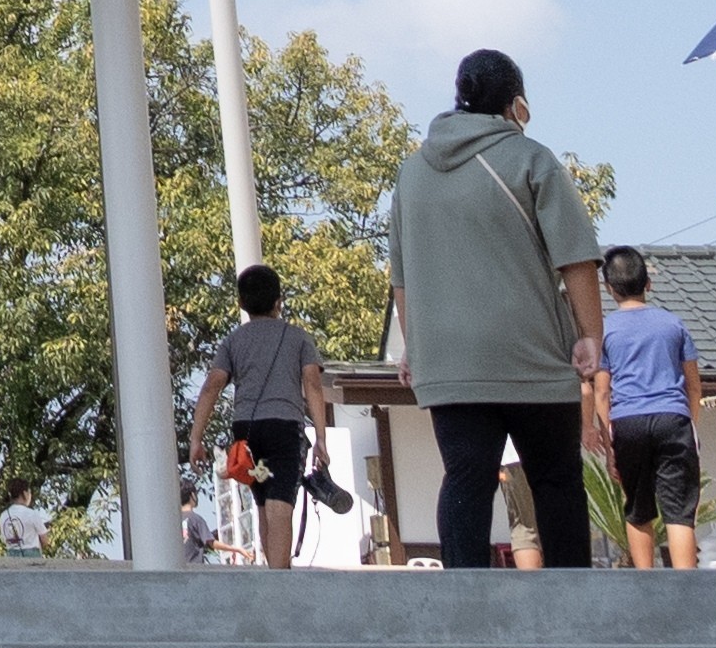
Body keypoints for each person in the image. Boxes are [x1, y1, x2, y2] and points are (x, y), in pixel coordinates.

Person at [380, 46, 609, 571]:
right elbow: (576, 258)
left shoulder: (411, 174)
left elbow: (403, 277)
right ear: (515, 104)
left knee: (465, 480)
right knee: (555, 481)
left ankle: (468, 612)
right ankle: (571, 607)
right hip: (531, 355)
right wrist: (590, 335)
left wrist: (414, 348)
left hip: (449, 361)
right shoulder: (531, 158)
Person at [183, 262, 345, 567]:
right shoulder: (298, 338)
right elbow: (312, 384)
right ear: (278, 301)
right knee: (281, 504)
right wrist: (321, 438)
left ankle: (274, 570)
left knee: (262, 503)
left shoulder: (232, 341)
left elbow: (210, 388)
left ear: (241, 303)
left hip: (247, 433)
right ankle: (280, 578)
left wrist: (196, 439)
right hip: (284, 427)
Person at [598, 247, 707, 569]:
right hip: (673, 417)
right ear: (649, 284)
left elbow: (602, 392)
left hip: (627, 421)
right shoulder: (673, 324)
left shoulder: (605, 330)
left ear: (609, 288)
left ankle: (646, 584)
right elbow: (694, 385)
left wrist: (609, 448)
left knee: (638, 507)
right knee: (679, 512)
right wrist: (691, 426)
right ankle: (686, 588)